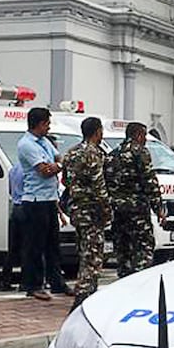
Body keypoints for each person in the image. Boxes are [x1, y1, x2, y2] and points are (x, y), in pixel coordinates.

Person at [105, 121, 165, 277]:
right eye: (144, 135)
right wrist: (159, 208)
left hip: (118, 211)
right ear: (138, 135)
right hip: (137, 210)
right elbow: (149, 182)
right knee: (143, 248)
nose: (145, 139)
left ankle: (124, 278)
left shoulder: (113, 154)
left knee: (123, 248)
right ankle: (141, 281)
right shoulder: (140, 152)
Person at [61, 117, 112, 302]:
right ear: (97, 132)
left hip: (77, 209)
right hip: (92, 211)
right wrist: (107, 210)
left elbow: (65, 181)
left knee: (84, 251)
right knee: (93, 256)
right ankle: (84, 295)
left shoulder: (71, 152)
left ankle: (84, 288)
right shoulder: (94, 153)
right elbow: (99, 186)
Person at [16, 107, 64, 302]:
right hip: (35, 201)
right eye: (47, 124)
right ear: (39, 124)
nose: (49, 127)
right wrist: (59, 166)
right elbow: (44, 170)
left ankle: (57, 282)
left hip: (50, 198)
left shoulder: (44, 142)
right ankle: (33, 285)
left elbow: (58, 158)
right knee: (35, 246)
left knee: (53, 245)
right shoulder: (27, 145)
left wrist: (58, 164)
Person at [0, 161, 26, 292]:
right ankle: (26, 281)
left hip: (15, 208)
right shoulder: (30, 170)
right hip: (27, 207)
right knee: (29, 246)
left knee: (13, 248)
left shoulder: (14, 169)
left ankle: (5, 281)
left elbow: (10, 190)